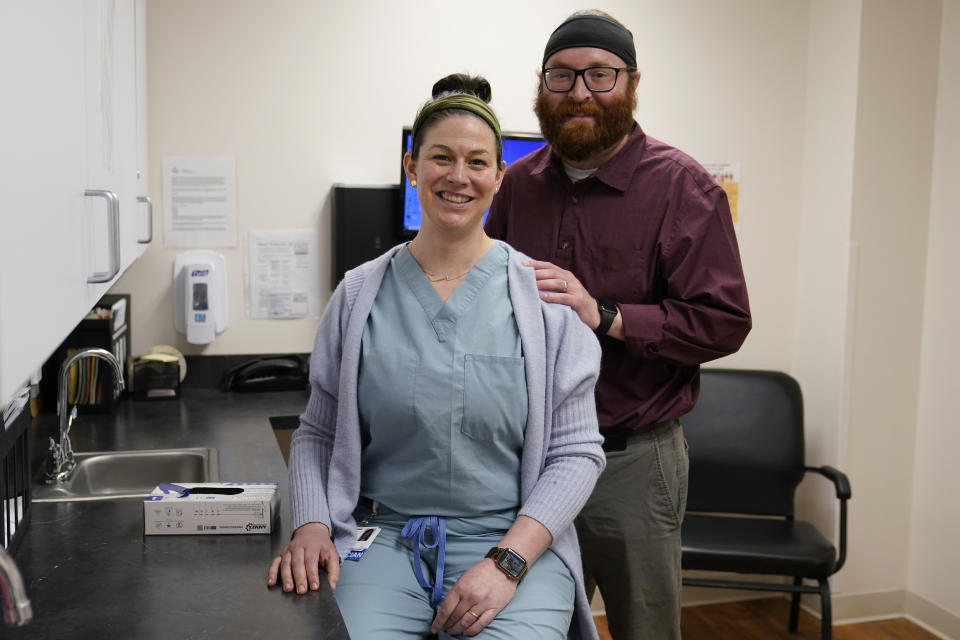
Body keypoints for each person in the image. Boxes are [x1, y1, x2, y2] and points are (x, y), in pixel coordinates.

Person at [267, 73, 606, 640]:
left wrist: (507, 562)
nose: (458, 176)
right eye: (441, 157)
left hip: (509, 542)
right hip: (383, 538)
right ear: (411, 168)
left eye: (478, 162)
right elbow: (317, 432)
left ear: (500, 176)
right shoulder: (357, 295)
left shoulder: (544, 301)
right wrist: (310, 523)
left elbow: (576, 453)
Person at [485, 11, 752, 640]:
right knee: (528, 626)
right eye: (562, 75)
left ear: (631, 83)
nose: (579, 92)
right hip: (529, 462)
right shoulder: (516, 187)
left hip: (629, 464)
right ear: (541, 86)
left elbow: (723, 322)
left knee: (643, 629)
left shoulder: (683, 189)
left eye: (600, 75)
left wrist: (605, 315)